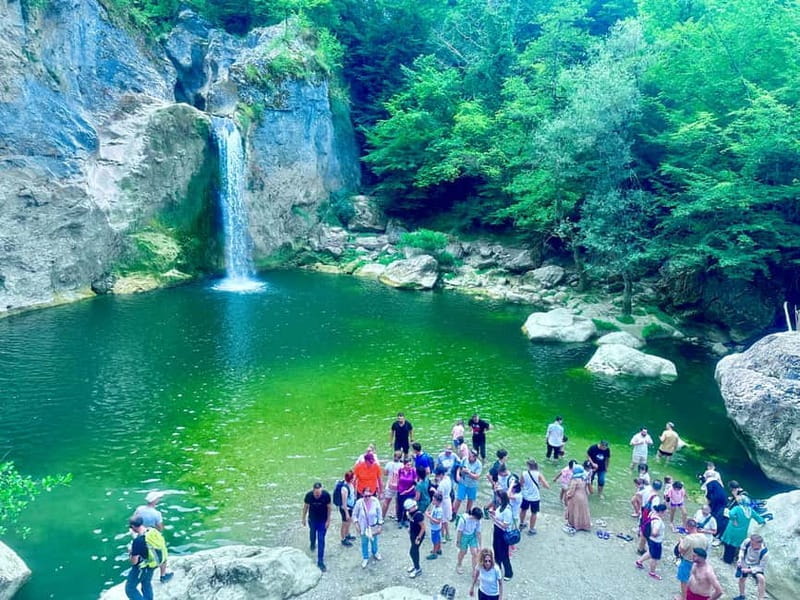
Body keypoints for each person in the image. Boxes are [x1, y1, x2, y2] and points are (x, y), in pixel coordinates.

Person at [134, 491, 174, 583]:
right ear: (154, 501)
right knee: (163, 555)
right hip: (151, 536)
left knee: (142, 555)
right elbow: (160, 527)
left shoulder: (139, 509)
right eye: (158, 498)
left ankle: (141, 571)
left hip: (140, 535)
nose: (159, 499)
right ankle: (163, 575)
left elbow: (134, 520)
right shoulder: (157, 514)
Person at [721, 494, 766, 564]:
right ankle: (733, 558)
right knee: (736, 546)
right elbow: (758, 518)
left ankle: (727, 559)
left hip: (732, 529)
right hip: (742, 532)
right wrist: (763, 521)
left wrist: (734, 519)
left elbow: (731, 513)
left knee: (728, 545)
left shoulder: (737, 508)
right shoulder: (750, 511)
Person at [675, 518, 710, 600]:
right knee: (693, 580)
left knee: (684, 580)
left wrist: (680, 542)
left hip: (687, 561)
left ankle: (684, 597)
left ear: (688, 527)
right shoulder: (704, 537)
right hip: (698, 563)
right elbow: (706, 549)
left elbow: (681, 550)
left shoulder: (688, 538)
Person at [301, 482, 332, 572]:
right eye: (316, 493)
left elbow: (329, 508)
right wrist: (303, 518)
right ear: (313, 491)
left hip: (322, 521)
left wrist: (328, 520)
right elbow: (305, 507)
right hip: (312, 520)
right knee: (312, 534)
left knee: (321, 539)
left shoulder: (326, 495)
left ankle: (320, 561)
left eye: (319, 493)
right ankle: (312, 543)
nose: (317, 495)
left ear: (321, 490)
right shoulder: (309, 495)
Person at [352, 487, 384, 568]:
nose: (367, 498)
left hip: (373, 526)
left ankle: (375, 552)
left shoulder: (375, 501)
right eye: (365, 496)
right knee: (364, 542)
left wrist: (380, 525)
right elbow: (354, 515)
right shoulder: (359, 503)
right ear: (362, 495)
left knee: (374, 541)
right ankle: (365, 557)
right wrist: (356, 524)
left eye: (369, 495)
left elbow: (379, 514)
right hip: (363, 527)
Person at [125, 516, 156, 600]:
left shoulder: (137, 541)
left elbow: (134, 561)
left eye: (131, 527)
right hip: (152, 563)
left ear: (133, 526)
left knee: (130, 589)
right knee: (146, 583)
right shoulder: (151, 531)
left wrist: (130, 552)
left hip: (141, 568)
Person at [635, 503, 668, 580]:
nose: (666, 513)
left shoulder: (652, 514)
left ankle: (639, 561)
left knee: (650, 552)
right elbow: (654, 532)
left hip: (650, 539)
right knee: (655, 557)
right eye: (665, 512)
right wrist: (657, 534)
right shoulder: (658, 522)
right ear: (661, 512)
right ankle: (652, 572)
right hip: (656, 541)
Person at [519, 458, 550, 535]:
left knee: (523, 510)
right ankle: (531, 529)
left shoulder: (524, 473)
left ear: (528, 465)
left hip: (525, 496)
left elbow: (521, 484)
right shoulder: (538, 474)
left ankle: (522, 523)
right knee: (534, 513)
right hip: (535, 497)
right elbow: (547, 486)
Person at [488, 490, 513, 581]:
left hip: (502, 533)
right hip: (497, 531)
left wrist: (494, 519)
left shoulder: (507, 510)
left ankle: (508, 572)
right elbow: (499, 516)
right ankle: (498, 569)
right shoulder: (501, 507)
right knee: (496, 551)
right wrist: (493, 513)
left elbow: (505, 525)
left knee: (503, 553)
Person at [734, 534, 768, 600]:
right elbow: (742, 549)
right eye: (751, 543)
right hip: (745, 561)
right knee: (742, 578)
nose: (751, 545)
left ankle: (761, 598)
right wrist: (740, 558)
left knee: (761, 579)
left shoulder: (764, 553)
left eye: (753, 544)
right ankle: (741, 595)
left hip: (756, 565)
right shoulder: (747, 541)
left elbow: (761, 567)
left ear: (759, 544)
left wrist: (750, 570)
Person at [453, 450, 482, 519]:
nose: (469, 457)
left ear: (475, 457)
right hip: (463, 482)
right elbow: (459, 468)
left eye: (471, 456)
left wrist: (469, 472)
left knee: (470, 499)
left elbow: (477, 477)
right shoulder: (465, 459)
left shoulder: (479, 464)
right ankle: (454, 513)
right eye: (469, 455)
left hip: (472, 485)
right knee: (459, 498)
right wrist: (458, 475)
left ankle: (467, 513)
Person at [456, 507, 483, 574]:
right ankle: (459, 564)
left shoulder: (478, 520)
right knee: (463, 552)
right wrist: (458, 541)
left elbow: (478, 532)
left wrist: (480, 545)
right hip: (464, 536)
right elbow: (459, 531)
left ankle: (474, 570)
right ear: (473, 516)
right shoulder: (463, 519)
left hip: (472, 536)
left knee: (475, 553)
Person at [564, 465, 591, 532]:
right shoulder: (584, 479)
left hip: (576, 497)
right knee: (583, 511)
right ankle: (584, 525)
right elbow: (586, 489)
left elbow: (571, 491)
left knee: (575, 510)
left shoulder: (575, 480)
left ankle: (575, 525)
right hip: (583, 496)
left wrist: (567, 495)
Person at [405, 498, 426, 579]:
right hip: (413, 534)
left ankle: (418, 569)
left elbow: (423, 527)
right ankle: (415, 565)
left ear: (413, 506)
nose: (408, 510)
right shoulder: (410, 513)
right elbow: (411, 521)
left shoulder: (418, 515)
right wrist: (410, 528)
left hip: (418, 535)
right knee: (414, 550)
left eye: (409, 509)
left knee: (413, 551)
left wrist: (419, 537)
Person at [381, 450, 403, 522]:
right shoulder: (402, 465)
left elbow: (385, 473)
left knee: (386, 501)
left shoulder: (389, 464)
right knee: (397, 502)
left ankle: (382, 517)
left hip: (389, 485)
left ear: (394, 456)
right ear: (401, 457)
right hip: (398, 486)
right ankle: (397, 516)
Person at [336, 470, 357, 546]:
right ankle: (343, 539)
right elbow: (344, 502)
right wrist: (346, 513)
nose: (354, 478)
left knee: (349, 522)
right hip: (345, 509)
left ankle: (347, 534)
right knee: (344, 523)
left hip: (350, 508)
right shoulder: (344, 489)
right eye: (353, 477)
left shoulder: (351, 485)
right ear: (351, 479)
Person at [434, 465, 453, 541]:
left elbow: (439, 495)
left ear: (441, 474)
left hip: (443, 503)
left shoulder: (442, 484)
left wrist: (434, 490)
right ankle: (448, 534)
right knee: (445, 520)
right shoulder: (448, 479)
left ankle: (442, 536)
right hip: (448, 500)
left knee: (441, 520)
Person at [396, 458, 417, 528]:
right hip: (400, 491)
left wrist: (407, 491)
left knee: (408, 506)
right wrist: (398, 488)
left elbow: (415, 483)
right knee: (400, 506)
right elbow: (398, 480)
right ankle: (399, 520)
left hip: (409, 492)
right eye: (408, 465)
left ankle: (405, 519)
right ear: (404, 465)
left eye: (410, 465)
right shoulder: (400, 470)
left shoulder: (413, 471)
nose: (409, 466)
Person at [426, 492, 444, 560]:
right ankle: (438, 549)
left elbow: (438, 521)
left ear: (438, 501)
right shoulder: (435, 507)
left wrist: (429, 517)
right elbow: (433, 513)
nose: (432, 501)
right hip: (435, 527)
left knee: (434, 541)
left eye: (434, 500)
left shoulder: (439, 510)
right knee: (438, 538)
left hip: (435, 528)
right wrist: (430, 513)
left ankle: (434, 553)